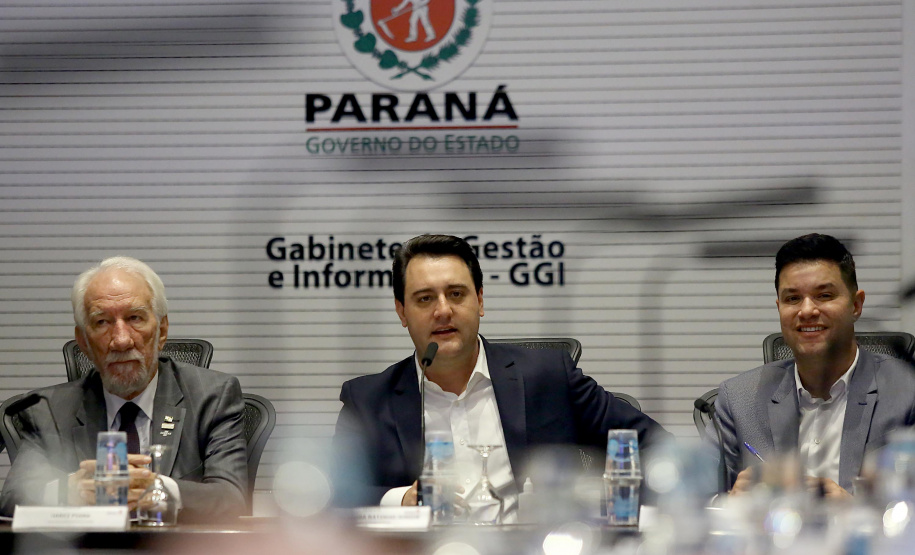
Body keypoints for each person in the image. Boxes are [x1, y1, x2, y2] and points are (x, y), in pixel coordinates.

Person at [333, 234, 671, 518]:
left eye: (456, 294)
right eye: (425, 299)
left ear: (480, 300)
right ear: (401, 311)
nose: (443, 310)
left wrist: (610, 507)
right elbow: (337, 495)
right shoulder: (368, 400)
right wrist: (402, 499)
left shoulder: (549, 376)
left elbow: (655, 448)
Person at [0, 256, 247, 522]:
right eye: (102, 322)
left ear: (162, 330)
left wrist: (155, 489)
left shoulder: (212, 397)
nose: (121, 340)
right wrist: (69, 491)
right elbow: (13, 498)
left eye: (135, 318)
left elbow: (231, 498)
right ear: (83, 341)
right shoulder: (48, 410)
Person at [711, 233, 915, 498]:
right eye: (793, 299)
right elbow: (700, 498)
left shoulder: (907, 392)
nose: (807, 310)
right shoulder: (739, 399)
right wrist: (731, 502)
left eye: (824, 295)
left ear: (856, 305)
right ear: (779, 308)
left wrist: (855, 508)